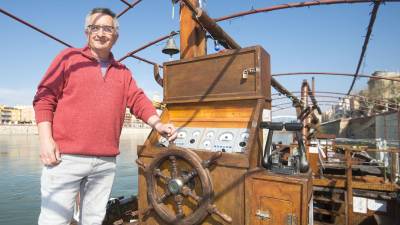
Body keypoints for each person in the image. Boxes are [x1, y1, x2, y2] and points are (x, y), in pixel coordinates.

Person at [33, 8, 177, 225]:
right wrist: (45, 140)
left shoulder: (123, 72)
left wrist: (158, 124)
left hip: (104, 162)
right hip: (65, 158)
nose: (101, 33)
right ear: (87, 32)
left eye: (108, 29)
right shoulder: (68, 58)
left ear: (116, 36)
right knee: (54, 220)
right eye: (95, 28)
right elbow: (44, 98)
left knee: (93, 220)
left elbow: (138, 100)